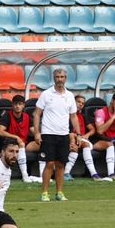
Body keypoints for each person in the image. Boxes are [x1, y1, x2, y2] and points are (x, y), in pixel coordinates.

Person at [33, 67, 82, 202]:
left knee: (61, 164)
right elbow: (37, 114)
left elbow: (73, 117)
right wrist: (37, 132)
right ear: (54, 78)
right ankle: (44, 192)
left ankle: (59, 192)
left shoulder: (70, 95)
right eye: (57, 77)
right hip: (48, 133)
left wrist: (78, 133)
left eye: (62, 77)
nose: (60, 79)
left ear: (66, 79)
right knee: (49, 164)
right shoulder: (46, 94)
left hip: (63, 134)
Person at [0, 94, 41, 183]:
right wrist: (16, 137)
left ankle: (43, 174)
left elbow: (34, 131)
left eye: (20, 104)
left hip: (23, 143)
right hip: (9, 143)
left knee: (43, 143)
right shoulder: (7, 116)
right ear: (12, 105)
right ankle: (25, 175)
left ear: (23, 105)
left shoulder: (27, 117)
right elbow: (0, 132)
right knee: (21, 144)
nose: (17, 106)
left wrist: (39, 135)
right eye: (15, 104)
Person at [64, 94, 105, 181]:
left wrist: (87, 135)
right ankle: (93, 173)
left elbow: (92, 129)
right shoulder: (66, 115)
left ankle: (92, 173)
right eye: (78, 102)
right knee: (78, 145)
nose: (80, 104)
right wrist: (74, 136)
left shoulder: (83, 116)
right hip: (69, 139)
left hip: (81, 139)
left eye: (82, 103)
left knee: (84, 144)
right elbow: (67, 132)